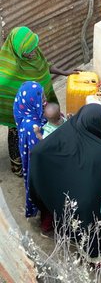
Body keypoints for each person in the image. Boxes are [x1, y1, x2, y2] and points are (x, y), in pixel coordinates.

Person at [29, 104, 101, 265]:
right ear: (92, 124)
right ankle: (95, 259)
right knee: (92, 221)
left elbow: (43, 149)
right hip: (89, 200)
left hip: (75, 194)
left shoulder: (71, 127)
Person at [0, 26, 77, 177]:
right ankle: (18, 166)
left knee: (46, 128)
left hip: (43, 101)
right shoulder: (6, 73)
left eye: (35, 47)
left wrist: (65, 73)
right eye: (29, 51)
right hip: (25, 112)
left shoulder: (35, 53)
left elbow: (45, 66)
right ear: (17, 51)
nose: (34, 52)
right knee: (18, 134)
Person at [13, 81, 46, 219]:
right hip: (37, 164)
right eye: (42, 98)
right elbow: (41, 151)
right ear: (32, 101)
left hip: (31, 154)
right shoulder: (31, 127)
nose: (45, 101)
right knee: (39, 186)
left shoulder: (27, 112)